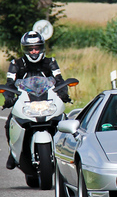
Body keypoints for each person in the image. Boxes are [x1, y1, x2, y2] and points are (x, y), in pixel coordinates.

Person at [3, 30, 71, 169]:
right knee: (10, 122)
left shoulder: (50, 62)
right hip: (26, 102)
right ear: (25, 49)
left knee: (64, 119)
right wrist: (8, 98)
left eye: (37, 48)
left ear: (42, 48)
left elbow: (59, 80)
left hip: (47, 100)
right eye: (30, 49)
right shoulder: (16, 63)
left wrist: (64, 93)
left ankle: (67, 150)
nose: (34, 51)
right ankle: (12, 153)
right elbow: (9, 83)